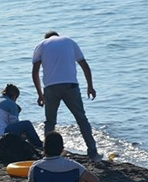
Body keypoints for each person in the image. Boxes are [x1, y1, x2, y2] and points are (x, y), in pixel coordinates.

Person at [32, 31, 100, 162]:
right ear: (58, 36)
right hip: (70, 85)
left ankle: (47, 154)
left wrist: (40, 94)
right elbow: (85, 65)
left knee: (50, 122)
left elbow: (35, 71)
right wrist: (90, 86)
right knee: (81, 119)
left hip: (51, 87)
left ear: (47, 38)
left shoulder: (41, 45)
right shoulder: (69, 42)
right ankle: (92, 153)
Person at [0, 84, 43, 149]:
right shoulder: (11, 104)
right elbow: (14, 122)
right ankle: (39, 145)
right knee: (27, 124)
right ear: (15, 96)